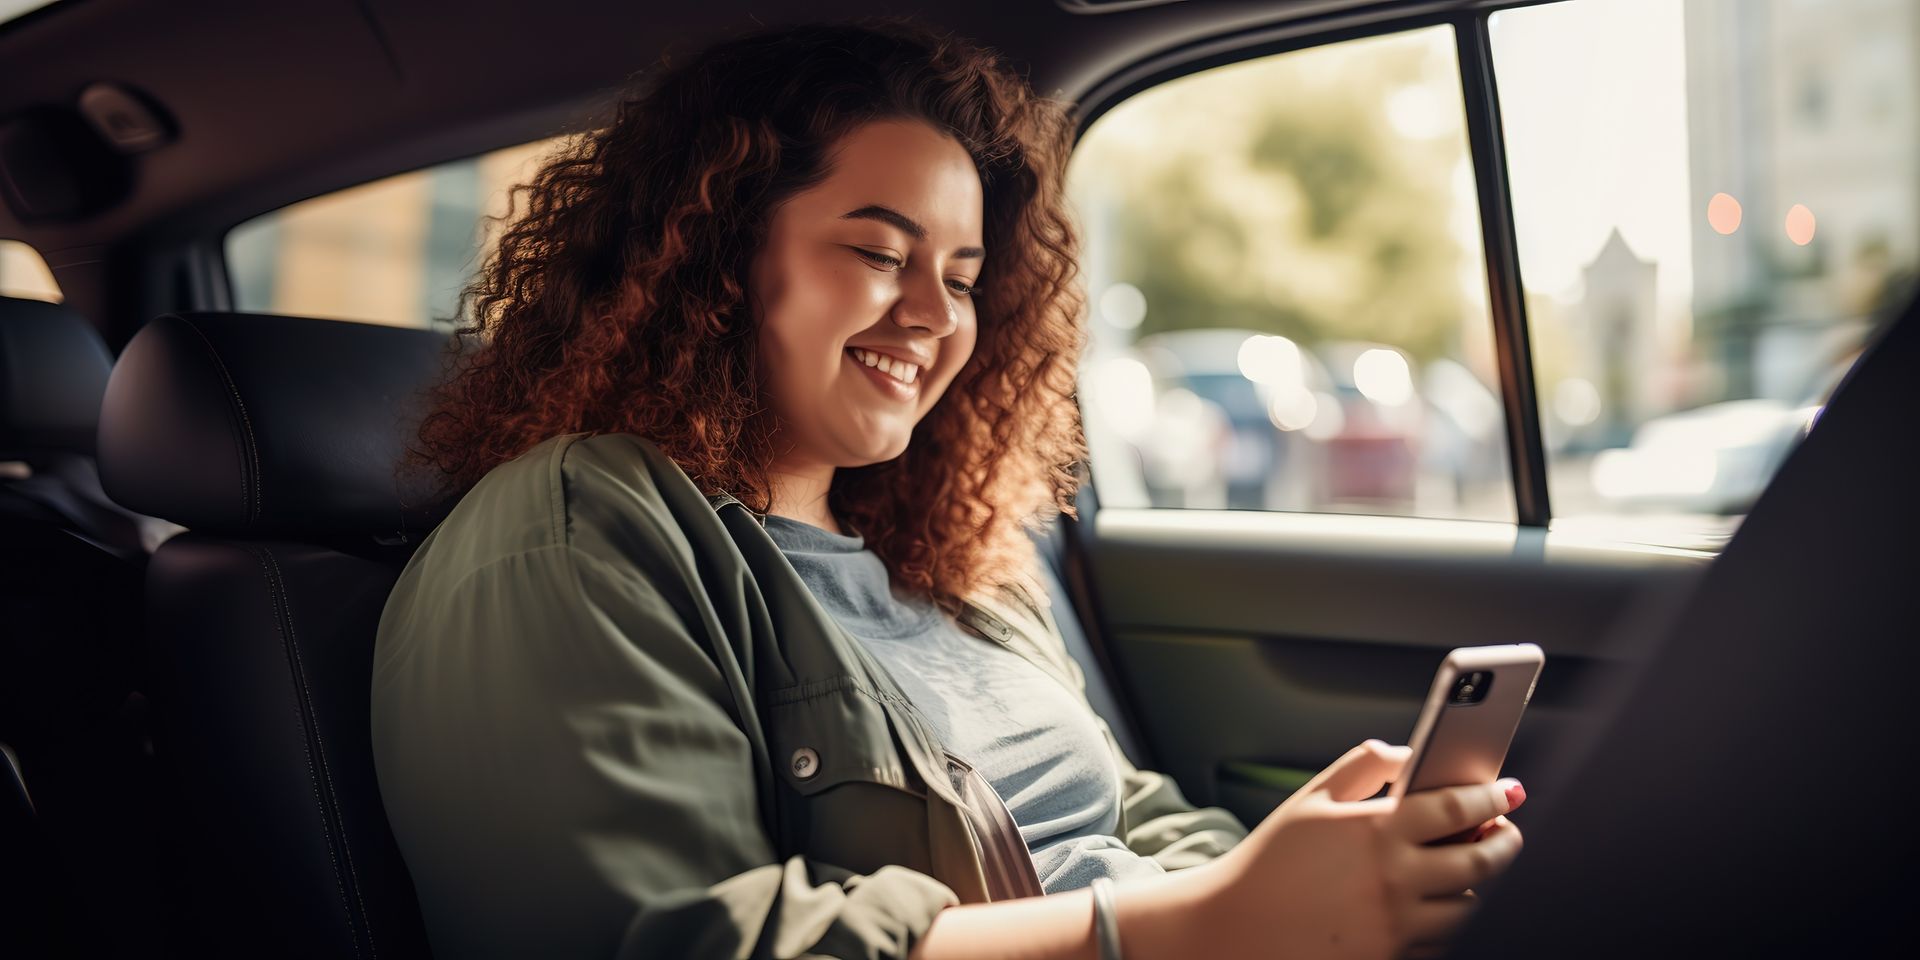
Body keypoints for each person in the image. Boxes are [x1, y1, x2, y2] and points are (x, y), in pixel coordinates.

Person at [371, 19, 1524, 960]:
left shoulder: (957, 558)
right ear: (718, 259)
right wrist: (1186, 928)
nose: (932, 316)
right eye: (879, 254)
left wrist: (1305, 877)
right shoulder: (575, 528)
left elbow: (1124, 815)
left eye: (963, 278)